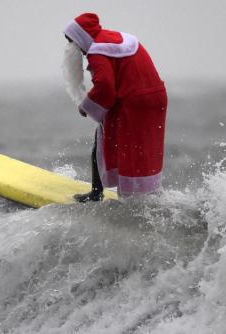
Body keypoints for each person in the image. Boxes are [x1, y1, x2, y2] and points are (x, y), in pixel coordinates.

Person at [62, 13, 167, 202]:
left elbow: (105, 87)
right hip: (155, 96)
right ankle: (147, 196)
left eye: (72, 41)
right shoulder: (114, 39)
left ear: (80, 38)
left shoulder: (97, 50)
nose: (72, 47)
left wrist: (85, 106)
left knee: (104, 140)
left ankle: (97, 193)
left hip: (134, 103)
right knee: (141, 149)